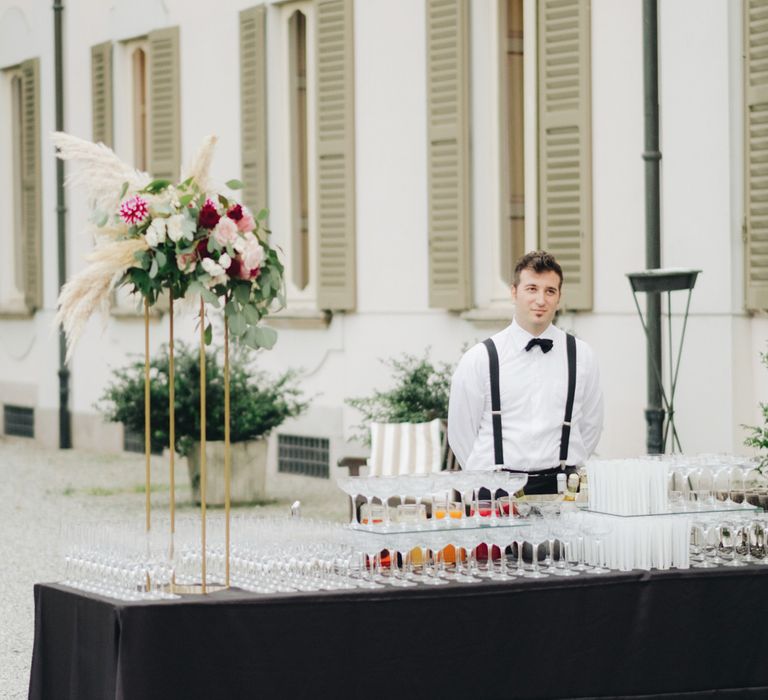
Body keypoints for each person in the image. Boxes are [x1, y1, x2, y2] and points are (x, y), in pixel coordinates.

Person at [448, 250, 603, 495]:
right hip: (497, 488)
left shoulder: (581, 355)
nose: (541, 300)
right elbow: (460, 432)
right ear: (514, 292)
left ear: (559, 297)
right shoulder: (481, 357)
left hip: (562, 489)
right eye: (531, 289)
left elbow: (591, 425)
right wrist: (492, 475)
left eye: (550, 291)